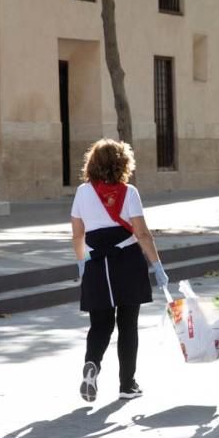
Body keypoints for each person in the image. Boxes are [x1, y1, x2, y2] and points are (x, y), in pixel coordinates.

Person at [71, 139, 169, 402]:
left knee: (100, 325)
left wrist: (82, 264)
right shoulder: (130, 193)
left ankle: (92, 364)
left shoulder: (82, 192)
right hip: (127, 262)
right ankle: (127, 384)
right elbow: (143, 234)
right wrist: (157, 266)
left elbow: (77, 234)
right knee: (128, 325)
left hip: (96, 264)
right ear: (122, 164)